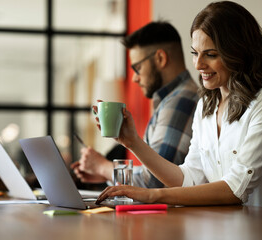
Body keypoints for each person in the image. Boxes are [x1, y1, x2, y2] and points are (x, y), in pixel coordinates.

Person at [95, 1, 262, 210]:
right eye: (195, 53)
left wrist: (152, 196)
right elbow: (189, 178)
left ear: (238, 53)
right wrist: (132, 142)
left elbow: (236, 189)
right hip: (229, 225)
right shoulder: (206, 105)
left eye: (211, 54)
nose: (198, 64)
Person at [71, 21, 199, 188]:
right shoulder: (170, 100)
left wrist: (103, 167)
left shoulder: (181, 100)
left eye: (138, 68)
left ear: (160, 58)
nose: (134, 78)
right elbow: (153, 176)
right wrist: (105, 174)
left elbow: (156, 182)